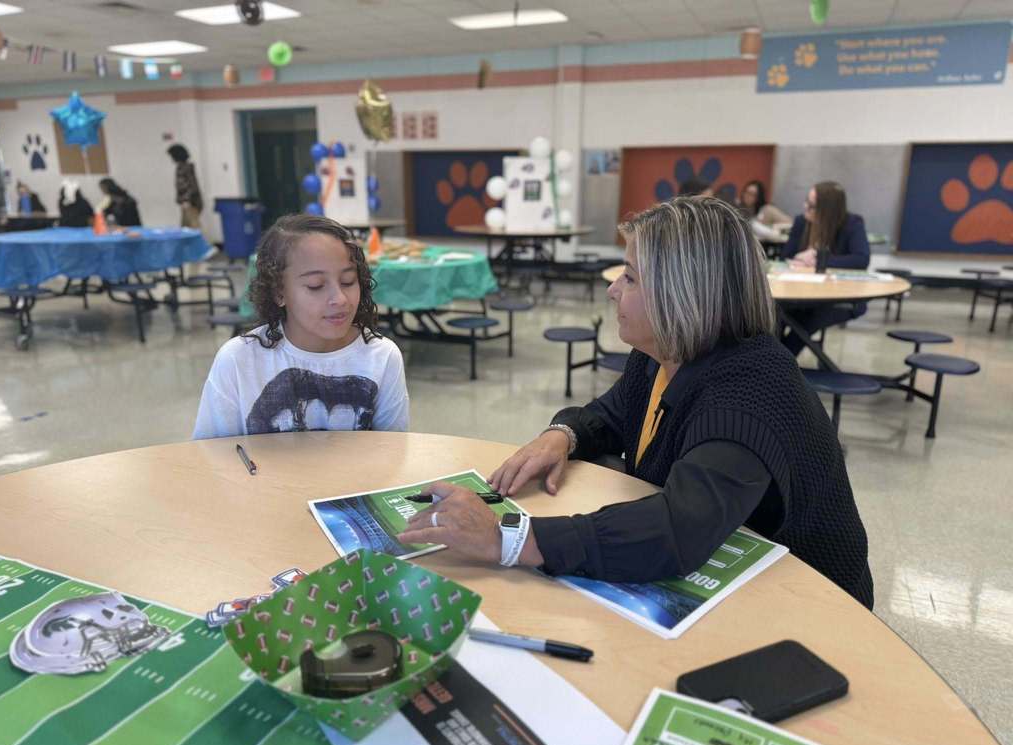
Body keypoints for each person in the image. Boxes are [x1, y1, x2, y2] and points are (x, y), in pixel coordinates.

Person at [398, 197, 873, 609]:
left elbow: (677, 530)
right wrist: (561, 435)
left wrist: (510, 538)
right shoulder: (662, 355)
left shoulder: (750, 388)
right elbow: (612, 414)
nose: (612, 290)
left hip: (811, 602)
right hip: (738, 569)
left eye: (629, 278)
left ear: (682, 294)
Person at [192, 214, 408, 439]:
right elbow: (210, 456)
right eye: (316, 286)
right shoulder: (237, 360)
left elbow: (393, 453)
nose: (340, 299)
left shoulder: (382, 357)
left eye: (348, 281)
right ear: (279, 292)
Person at [780, 181, 871, 355]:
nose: (805, 207)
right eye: (806, 201)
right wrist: (798, 257)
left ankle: (780, 364)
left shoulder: (851, 224)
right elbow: (786, 256)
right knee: (774, 316)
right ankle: (773, 362)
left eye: (812, 205)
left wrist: (819, 259)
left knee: (805, 323)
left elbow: (861, 259)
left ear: (827, 209)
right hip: (799, 294)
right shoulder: (801, 222)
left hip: (838, 298)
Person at [166, 143, 203, 229]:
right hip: (185, 202)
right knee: (185, 228)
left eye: (172, 155)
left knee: (194, 228)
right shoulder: (180, 167)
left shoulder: (186, 168)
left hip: (190, 202)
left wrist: (187, 200)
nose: (171, 158)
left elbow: (193, 186)